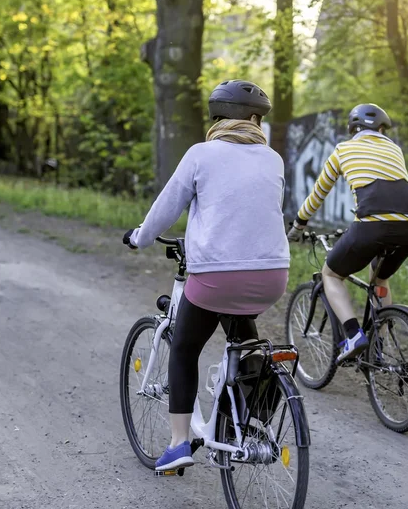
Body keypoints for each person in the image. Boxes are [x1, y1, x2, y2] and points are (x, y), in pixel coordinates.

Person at [122, 80, 289, 471]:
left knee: (184, 347)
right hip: (272, 275)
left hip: (216, 276)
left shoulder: (201, 154)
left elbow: (166, 208)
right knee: (243, 339)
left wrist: (140, 238)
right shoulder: (274, 159)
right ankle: (242, 423)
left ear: (217, 118)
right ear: (251, 119)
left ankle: (180, 442)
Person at [287, 103, 408, 363]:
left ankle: (352, 336)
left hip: (372, 225)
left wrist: (298, 225)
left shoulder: (343, 149)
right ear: (381, 129)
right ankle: (379, 347)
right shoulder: (395, 150)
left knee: (332, 274)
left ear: (353, 129)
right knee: (380, 281)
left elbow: (318, 193)